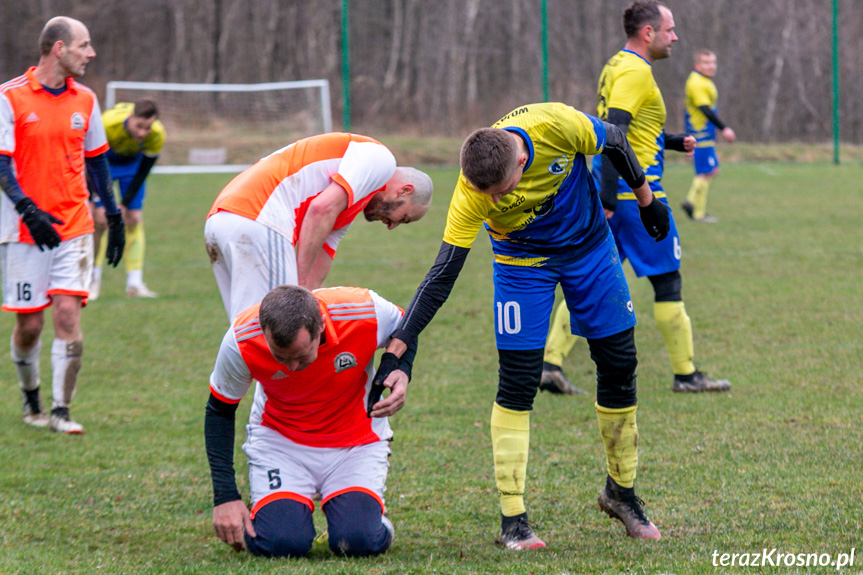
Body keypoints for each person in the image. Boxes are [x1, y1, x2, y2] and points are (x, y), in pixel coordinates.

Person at [373, 102, 670, 549]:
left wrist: (647, 202)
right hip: (521, 265)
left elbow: (617, 141)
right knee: (517, 382)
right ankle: (514, 520)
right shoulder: (472, 191)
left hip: (589, 249)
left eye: (500, 190)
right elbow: (441, 277)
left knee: (619, 363)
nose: (493, 200)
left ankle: (621, 492)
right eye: (484, 193)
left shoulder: (557, 125)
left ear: (520, 160)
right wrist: (399, 348)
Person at [542, 0, 731, 395]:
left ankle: (550, 364)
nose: (675, 37)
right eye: (670, 29)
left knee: (589, 279)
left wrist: (674, 142)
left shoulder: (616, 65)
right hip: (635, 196)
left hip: (614, 192)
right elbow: (613, 132)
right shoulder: (634, 72)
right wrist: (610, 200)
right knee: (668, 281)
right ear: (649, 33)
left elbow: (631, 131)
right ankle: (686, 374)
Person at [205, 284, 415, 557]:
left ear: (321, 327)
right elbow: (219, 410)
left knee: (357, 541)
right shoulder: (242, 338)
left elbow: (408, 326)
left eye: (301, 355)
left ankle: (372, 518)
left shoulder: (365, 310)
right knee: (281, 544)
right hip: (281, 443)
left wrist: (402, 369)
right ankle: (273, 509)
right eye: (280, 357)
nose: (292, 367)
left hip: (356, 442)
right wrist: (226, 497)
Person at [0, 16, 125, 434]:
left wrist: (115, 213)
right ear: (58, 48)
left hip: (75, 224)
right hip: (23, 231)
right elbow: (2, 163)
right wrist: (27, 210)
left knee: (68, 314)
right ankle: (31, 399)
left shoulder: (87, 99)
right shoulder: (10, 97)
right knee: (29, 324)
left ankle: (61, 411)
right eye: (83, 45)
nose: (90, 53)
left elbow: (97, 160)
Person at [204, 132, 433, 320]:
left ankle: (225, 379)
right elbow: (320, 209)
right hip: (260, 218)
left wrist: (308, 301)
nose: (392, 226)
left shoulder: (350, 199)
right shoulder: (382, 160)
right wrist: (298, 288)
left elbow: (322, 254)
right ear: (405, 190)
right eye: (403, 218)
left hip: (223, 219)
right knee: (272, 330)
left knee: (245, 327)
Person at [90, 99, 165, 299]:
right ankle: (91, 280)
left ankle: (135, 283)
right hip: (103, 162)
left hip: (132, 166)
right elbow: (89, 158)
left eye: (147, 128)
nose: (142, 133)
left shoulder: (157, 135)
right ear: (130, 118)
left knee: (133, 218)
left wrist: (124, 203)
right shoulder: (106, 123)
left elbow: (143, 172)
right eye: (139, 126)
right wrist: (93, 197)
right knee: (99, 220)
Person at [682, 49, 736, 223]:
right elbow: (705, 109)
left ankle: (696, 210)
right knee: (705, 171)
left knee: (711, 170)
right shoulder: (696, 82)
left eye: (713, 62)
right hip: (700, 132)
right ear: (697, 65)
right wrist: (724, 128)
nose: (711, 66)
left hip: (706, 132)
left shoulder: (703, 81)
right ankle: (693, 205)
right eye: (706, 62)